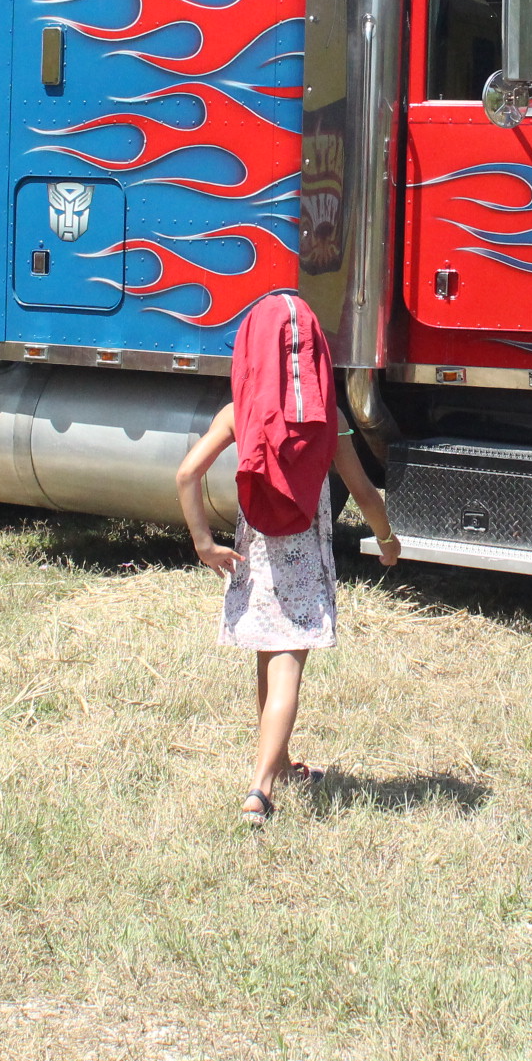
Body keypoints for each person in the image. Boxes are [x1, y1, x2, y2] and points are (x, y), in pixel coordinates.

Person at [174, 293, 400, 827]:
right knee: (287, 677)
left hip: (255, 564)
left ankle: (280, 762)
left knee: (266, 663)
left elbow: (186, 475)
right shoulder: (328, 419)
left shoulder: (238, 413)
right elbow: (365, 492)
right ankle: (261, 789)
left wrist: (204, 544)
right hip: (301, 569)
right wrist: (386, 540)